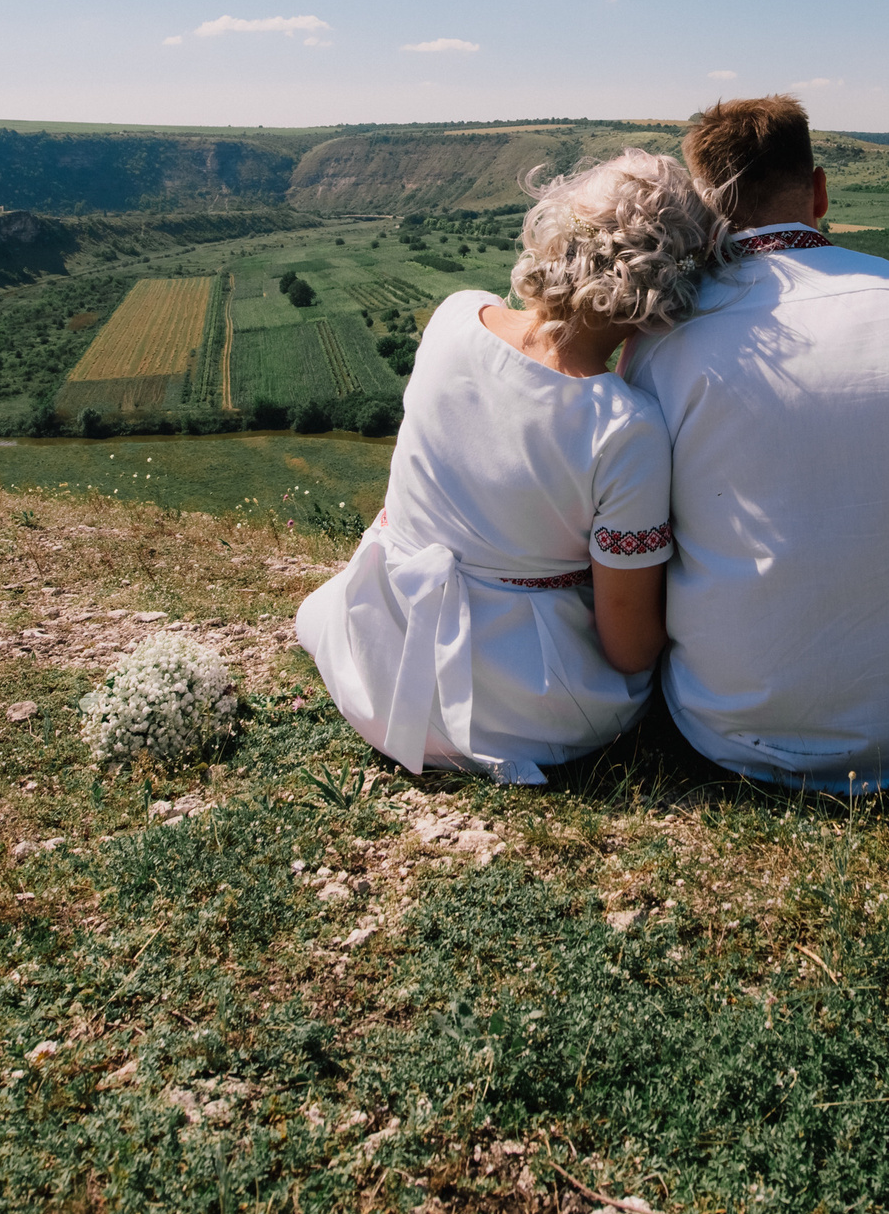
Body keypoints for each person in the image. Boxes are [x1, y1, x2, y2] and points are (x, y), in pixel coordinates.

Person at [622, 96, 889, 790]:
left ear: (704, 205)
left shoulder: (665, 338)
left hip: (731, 726)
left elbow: (641, 522)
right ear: (818, 189)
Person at [296, 150, 722, 784]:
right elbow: (630, 648)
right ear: (669, 291)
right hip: (516, 708)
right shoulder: (623, 427)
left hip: (376, 654)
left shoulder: (455, 315)